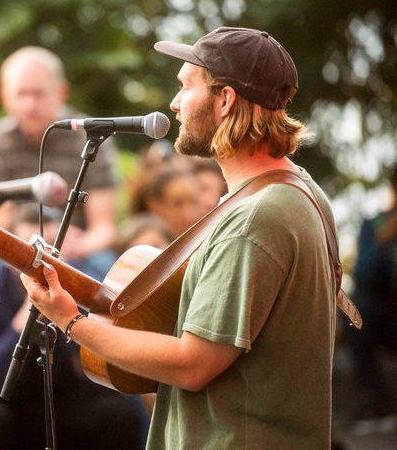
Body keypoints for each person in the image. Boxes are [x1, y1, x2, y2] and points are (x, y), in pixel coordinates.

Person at [21, 27, 340, 449]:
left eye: (185, 87)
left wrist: (70, 321)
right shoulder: (302, 189)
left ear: (224, 100)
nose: (173, 104)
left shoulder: (255, 219)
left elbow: (194, 364)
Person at [0, 205, 144, 450]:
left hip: (63, 399)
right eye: (26, 250)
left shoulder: (86, 284)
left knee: (118, 414)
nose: (38, 262)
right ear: (6, 251)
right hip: (3, 403)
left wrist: (70, 318)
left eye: (50, 249)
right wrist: (25, 319)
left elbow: (99, 374)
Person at [0, 46, 118, 274]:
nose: (29, 105)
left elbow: (104, 228)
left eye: (38, 93)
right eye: (21, 94)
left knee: (105, 269)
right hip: (17, 247)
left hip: (77, 251)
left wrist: (72, 246)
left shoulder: (91, 138)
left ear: (61, 92)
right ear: (4, 98)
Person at [343, 165, 397, 434]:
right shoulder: (375, 224)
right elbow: (362, 272)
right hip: (387, 314)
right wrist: (386, 236)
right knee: (355, 307)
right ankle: (374, 400)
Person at [129, 162, 203, 239]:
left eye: (194, 202)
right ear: (154, 206)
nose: (188, 214)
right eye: (177, 204)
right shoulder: (140, 247)